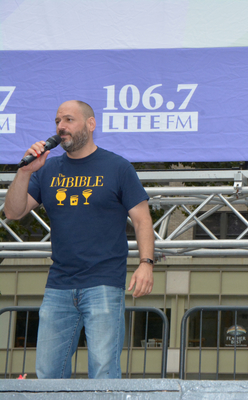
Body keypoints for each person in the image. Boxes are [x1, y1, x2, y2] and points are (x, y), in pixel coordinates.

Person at [4, 100, 155, 379]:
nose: (61, 127)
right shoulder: (47, 170)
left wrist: (146, 262)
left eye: (69, 120)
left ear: (90, 124)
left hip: (104, 282)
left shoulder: (117, 167)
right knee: (48, 374)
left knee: (103, 373)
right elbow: (13, 211)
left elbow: (142, 219)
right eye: (58, 121)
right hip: (59, 284)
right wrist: (24, 172)